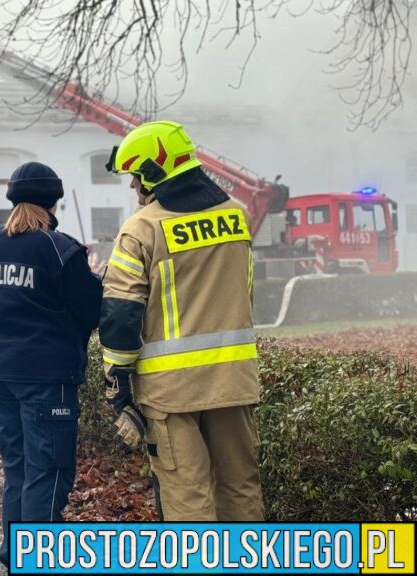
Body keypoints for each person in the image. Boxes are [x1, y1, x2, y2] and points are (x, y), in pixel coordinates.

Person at [99, 120, 264, 521]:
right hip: (233, 382)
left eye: (136, 176)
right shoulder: (235, 216)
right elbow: (245, 292)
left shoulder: (141, 228)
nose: (133, 187)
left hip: (171, 394)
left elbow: (121, 314)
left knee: (188, 498)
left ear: (153, 172)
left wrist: (117, 387)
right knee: (240, 487)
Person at [0, 161, 102, 567]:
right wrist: (96, 278)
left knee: (19, 468)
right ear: (54, 201)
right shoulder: (60, 249)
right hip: (46, 377)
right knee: (48, 471)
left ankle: (16, 554)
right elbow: (91, 311)